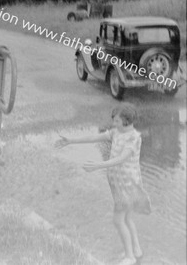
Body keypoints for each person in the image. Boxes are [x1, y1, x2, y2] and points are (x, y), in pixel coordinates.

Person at [55, 104, 151, 265]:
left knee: (118, 220)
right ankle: (137, 250)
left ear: (126, 121)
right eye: (114, 120)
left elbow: (122, 158)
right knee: (127, 218)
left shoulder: (133, 138)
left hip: (126, 185)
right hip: (118, 183)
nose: (114, 123)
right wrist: (71, 140)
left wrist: (98, 165)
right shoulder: (116, 133)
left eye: (117, 120)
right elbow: (94, 138)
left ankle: (130, 257)